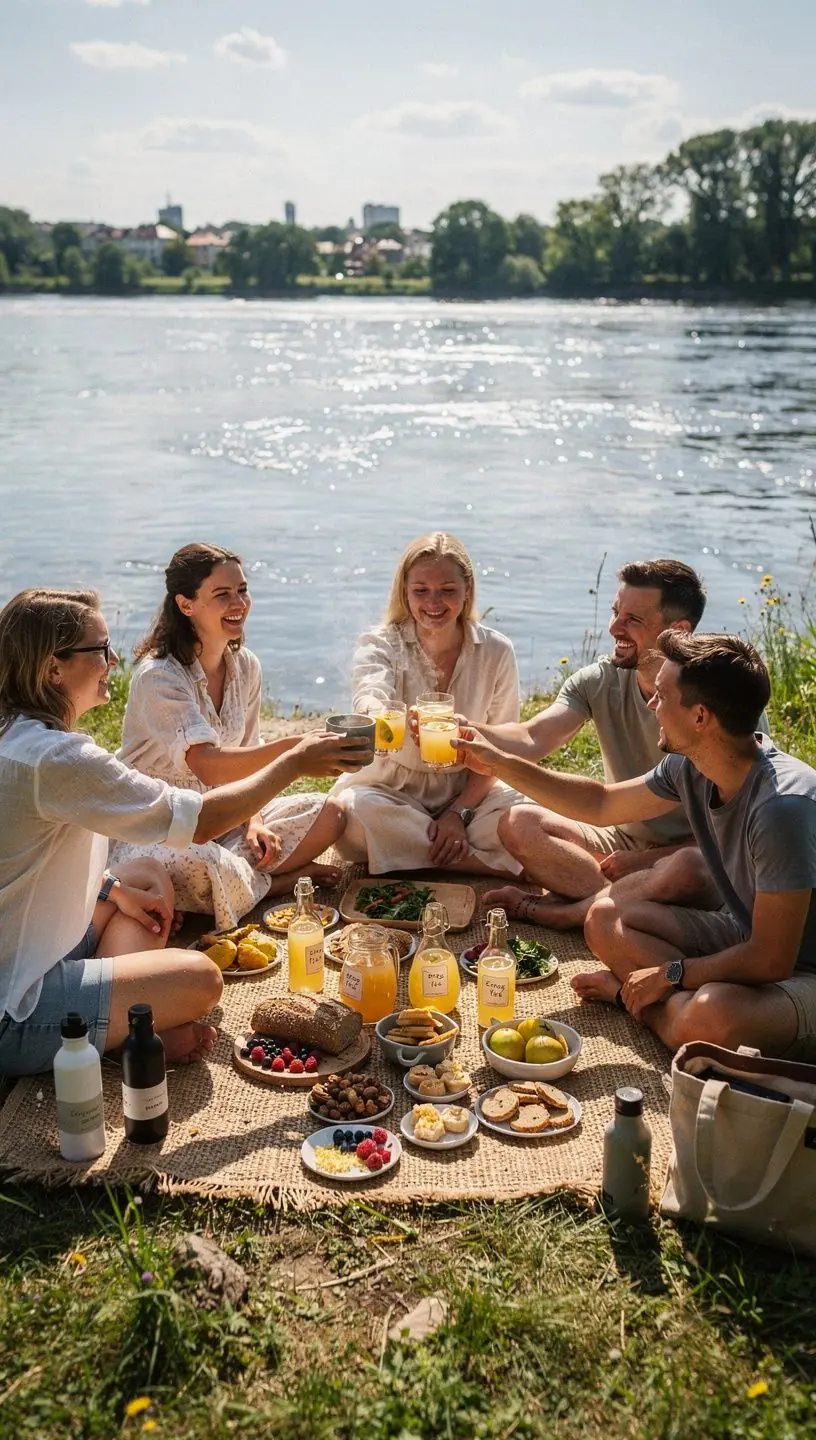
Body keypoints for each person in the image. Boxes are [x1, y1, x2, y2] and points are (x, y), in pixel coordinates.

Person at [0, 588, 368, 1077]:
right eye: (100, 649)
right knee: (199, 979)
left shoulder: (18, 737)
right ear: (53, 668)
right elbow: (201, 823)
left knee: (145, 873)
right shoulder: (57, 760)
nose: (113, 659)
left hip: (34, 948)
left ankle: (118, 1014)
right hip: (17, 1009)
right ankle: (120, 1035)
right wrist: (294, 762)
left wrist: (114, 890)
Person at [455, 631, 816, 1061]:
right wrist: (499, 762)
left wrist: (672, 973)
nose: (650, 705)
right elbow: (601, 802)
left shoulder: (782, 808)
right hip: (743, 933)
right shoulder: (690, 766)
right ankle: (662, 1005)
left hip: (800, 969)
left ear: (700, 717)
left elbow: (772, 960)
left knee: (709, 1018)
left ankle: (641, 1004)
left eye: (661, 696)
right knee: (604, 917)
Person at [112, 544, 348, 930]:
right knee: (201, 863)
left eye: (242, 590)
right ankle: (273, 883)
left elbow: (245, 760)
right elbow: (207, 762)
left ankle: (236, 882)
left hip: (226, 818)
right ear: (186, 604)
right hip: (158, 828)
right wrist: (296, 749)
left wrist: (253, 820)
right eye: (222, 595)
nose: (238, 602)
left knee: (333, 813)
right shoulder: (159, 677)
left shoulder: (246, 666)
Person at [470, 559, 709, 926]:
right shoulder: (601, 679)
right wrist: (467, 730)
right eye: (616, 612)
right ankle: (630, 911)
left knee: (687, 869)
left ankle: (582, 911)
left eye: (633, 620)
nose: (614, 627)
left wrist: (647, 862)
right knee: (518, 824)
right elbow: (533, 736)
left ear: (679, 630)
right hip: (621, 840)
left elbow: (737, 837)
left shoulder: (716, 697)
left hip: (696, 852)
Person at [333, 531, 524, 876]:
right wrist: (378, 715)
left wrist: (459, 813)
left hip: (470, 790)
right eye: (421, 590)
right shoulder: (382, 643)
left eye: (447, 590)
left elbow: (499, 742)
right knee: (352, 812)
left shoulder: (496, 651)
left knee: (524, 815)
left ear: (467, 591)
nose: (433, 603)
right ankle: (474, 862)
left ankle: (415, 849)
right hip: (391, 790)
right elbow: (370, 689)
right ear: (405, 592)